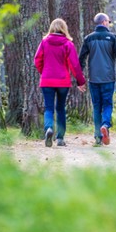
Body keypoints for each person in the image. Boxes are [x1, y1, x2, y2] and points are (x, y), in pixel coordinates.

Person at [34, 18, 86, 147]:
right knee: (61, 109)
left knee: (49, 108)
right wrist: (80, 81)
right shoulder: (68, 44)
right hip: (63, 81)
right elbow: (75, 65)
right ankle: (60, 138)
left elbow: (37, 60)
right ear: (64, 29)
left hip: (47, 80)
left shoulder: (44, 42)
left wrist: (44, 72)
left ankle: (49, 128)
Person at [79, 13, 116, 146]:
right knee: (107, 104)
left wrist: (80, 79)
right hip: (108, 78)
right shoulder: (113, 38)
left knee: (96, 106)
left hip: (94, 79)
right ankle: (105, 124)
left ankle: (98, 137)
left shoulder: (89, 38)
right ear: (104, 22)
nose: (109, 24)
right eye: (109, 22)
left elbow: (81, 59)